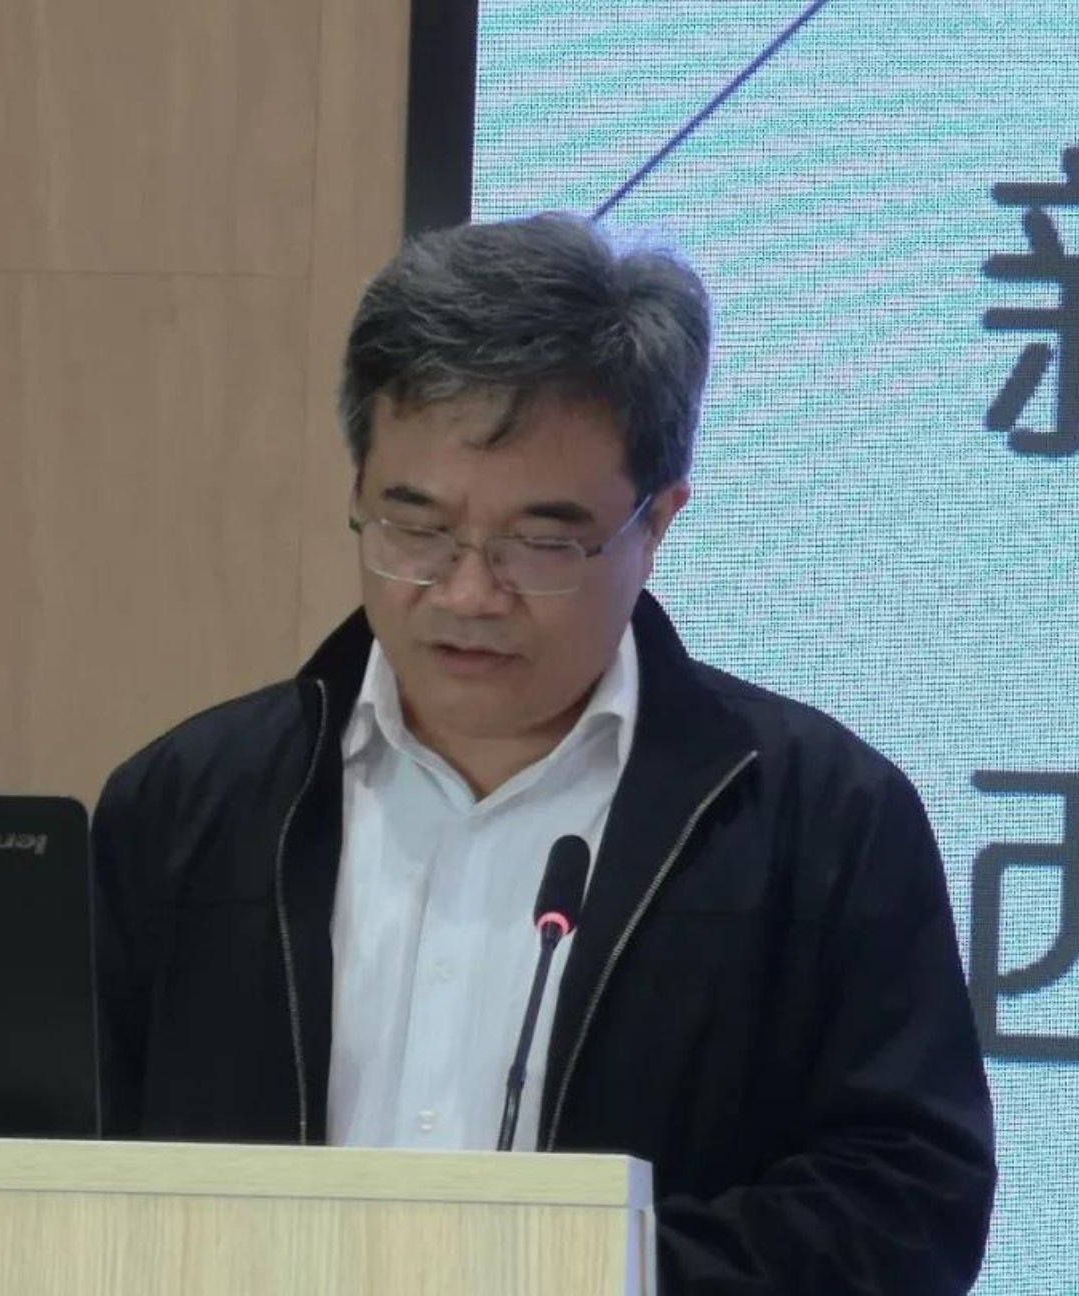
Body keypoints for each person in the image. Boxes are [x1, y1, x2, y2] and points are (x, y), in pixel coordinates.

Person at [91, 213, 996, 1293]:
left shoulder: (818, 819)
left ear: (657, 525)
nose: (469, 593)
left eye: (542, 542)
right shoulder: (191, 804)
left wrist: (587, 1273)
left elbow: (906, 1207)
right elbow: (63, 1167)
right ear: (357, 490)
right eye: (416, 528)